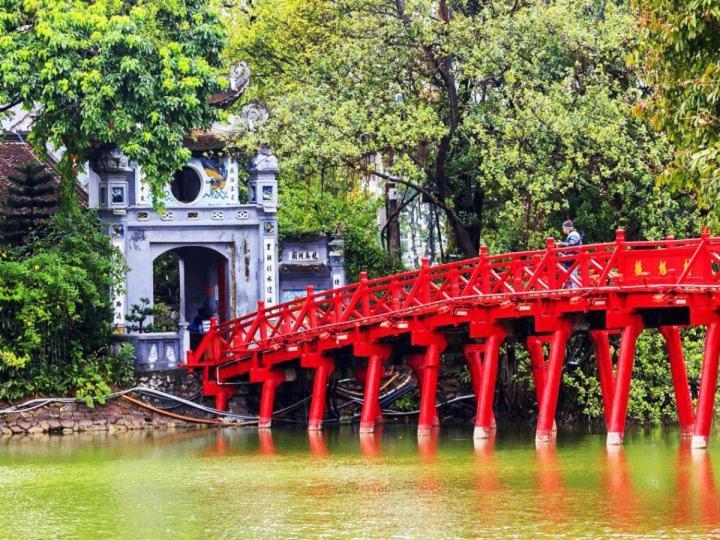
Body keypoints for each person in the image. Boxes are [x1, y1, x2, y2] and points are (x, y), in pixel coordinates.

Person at [559, 220, 582, 288]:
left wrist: (561, 244)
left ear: (566, 228)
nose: (563, 230)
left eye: (563, 228)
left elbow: (571, 244)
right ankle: (571, 289)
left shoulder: (574, 234)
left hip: (573, 259)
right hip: (570, 259)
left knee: (572, 276)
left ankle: (575, 290)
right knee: (568, 276)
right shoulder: (572, 234)